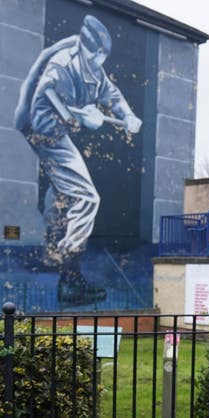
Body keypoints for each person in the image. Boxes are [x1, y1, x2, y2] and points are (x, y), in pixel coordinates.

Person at [14, 15, 142, 304]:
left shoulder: (93, 68)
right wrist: (78, 116)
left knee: (63, 191)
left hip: (58, 128)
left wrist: (127, 115)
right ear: (88, 49)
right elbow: (46, 98)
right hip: (43, 129)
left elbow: (111, 93)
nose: (101, 62)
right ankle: (70, 280)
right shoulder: (61, 65)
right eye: (98, 56)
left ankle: (52, 253)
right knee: (87, 197)